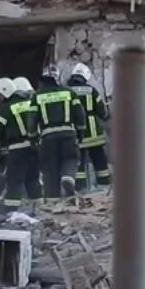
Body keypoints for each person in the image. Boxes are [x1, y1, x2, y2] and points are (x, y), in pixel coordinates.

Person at [35, 66, 85, 199]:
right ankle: (68, 177)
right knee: (71, 158)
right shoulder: (69, 93)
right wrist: (81, 132)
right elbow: (80, 113)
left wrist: (32, 137)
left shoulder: (37, 96)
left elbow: (31, 118)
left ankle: (52, 200)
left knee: (50, 168)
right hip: (68, 134)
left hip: (47, 136)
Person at [0, 77, 42, 212]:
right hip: (34, 147)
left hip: (17, 150)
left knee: (15, 180)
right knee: (33, 179)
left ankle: (10, 209)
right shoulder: (30, 103)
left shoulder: (5, 109)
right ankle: (39, 208)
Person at [68, 63, 112, 190]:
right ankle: (104, 185)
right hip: (93, 133)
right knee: (99, 159)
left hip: (76, 133)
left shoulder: (67, 91)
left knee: (79, 162)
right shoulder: (91, 90)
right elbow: (102, 112)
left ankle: (80, 188)